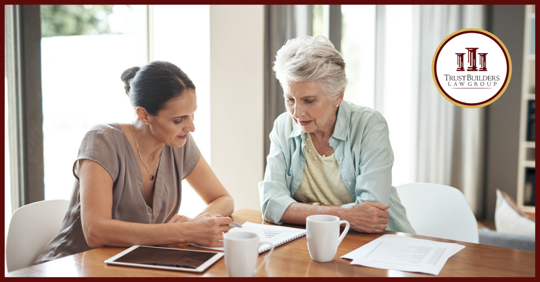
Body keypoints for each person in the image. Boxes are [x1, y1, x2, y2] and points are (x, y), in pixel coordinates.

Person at [35, 61, 234, 264]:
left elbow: (223, 199)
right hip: (71, 265)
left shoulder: (179, 143)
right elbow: (95, 232)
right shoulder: (102, 141)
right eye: (178, 120)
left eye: (192, 114)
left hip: (135, 265)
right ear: (144, 114)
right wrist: (183, 232)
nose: (191, 127)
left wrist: (197, 224)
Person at [258, 35, 415, 234]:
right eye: (290, 99)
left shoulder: (370, 126)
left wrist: (298, 211)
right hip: (315, 240)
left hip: (378, 243)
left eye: (309, 100)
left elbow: (371, 214)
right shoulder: (283, 126)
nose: (297, 113)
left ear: (338, 95)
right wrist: (346, 215)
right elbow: (270, 204)